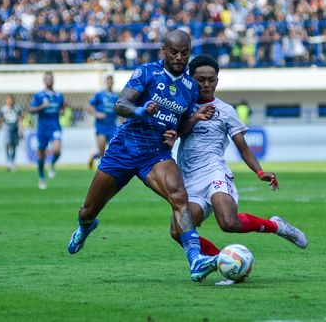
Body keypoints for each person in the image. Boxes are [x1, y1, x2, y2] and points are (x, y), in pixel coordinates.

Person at [67, 30, 219, 282]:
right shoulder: (146, 72)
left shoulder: (190, 87)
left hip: (156, 154)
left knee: (179, 196)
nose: (180, 57)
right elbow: (120, 105)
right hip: (123, 149)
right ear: (164, 50)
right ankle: (86, 226)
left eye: (185, 53)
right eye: (174, 52)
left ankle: (195, 260)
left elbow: (178, 129)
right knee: (87, 210)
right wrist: (141, 110)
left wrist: (193, 118)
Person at [166, 55, 307, 270]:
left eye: (211, 80)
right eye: (200, 79)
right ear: (190, 79)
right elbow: (175, 134)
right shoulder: (183, 107)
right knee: (178, 231)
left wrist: (260, 172)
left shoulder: (226, 110)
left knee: (228, 222)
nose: (206, 84)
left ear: (217, 81)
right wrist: (195, 117)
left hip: (214, 172)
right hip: (189, 180)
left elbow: (243, 148)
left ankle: (276, 226)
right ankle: (221, 261)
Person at [29, 71, 66, 189]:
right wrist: (42, 106)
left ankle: (52, 164)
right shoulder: (38, 96)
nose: (50, 80)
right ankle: (41, 177)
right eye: (47, 79)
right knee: (41, 155)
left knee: (57, 150)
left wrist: (63, 110)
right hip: (42, 127)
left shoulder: (59, 95)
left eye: (51, 78)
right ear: (44, 81)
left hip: (55, 126)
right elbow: (31, 109)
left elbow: (64, 105)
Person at [86, 74, 119, 169]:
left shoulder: (116, 96)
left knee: (115, 149)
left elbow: (119, 111)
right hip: (101, 126)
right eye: (108, 80)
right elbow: (88, 107)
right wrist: (97, 114)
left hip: (112, 126)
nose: (110, 82)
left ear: (113, 83)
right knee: (101, 152)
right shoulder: (99, 95)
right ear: (105, 82)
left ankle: (111, 168)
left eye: (111, 81)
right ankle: (95, 157)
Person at [0, 94, 24, 171]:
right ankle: (8, 161)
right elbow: (0, 120)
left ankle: (12, 162)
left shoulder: (17, 108)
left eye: (11, 100)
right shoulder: (3, 109)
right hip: (6, 129)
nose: (9, 102)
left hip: (15, 129)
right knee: (7, 145)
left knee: (14, 146)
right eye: (8, 100)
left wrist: (21, 130)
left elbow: (20, 119)